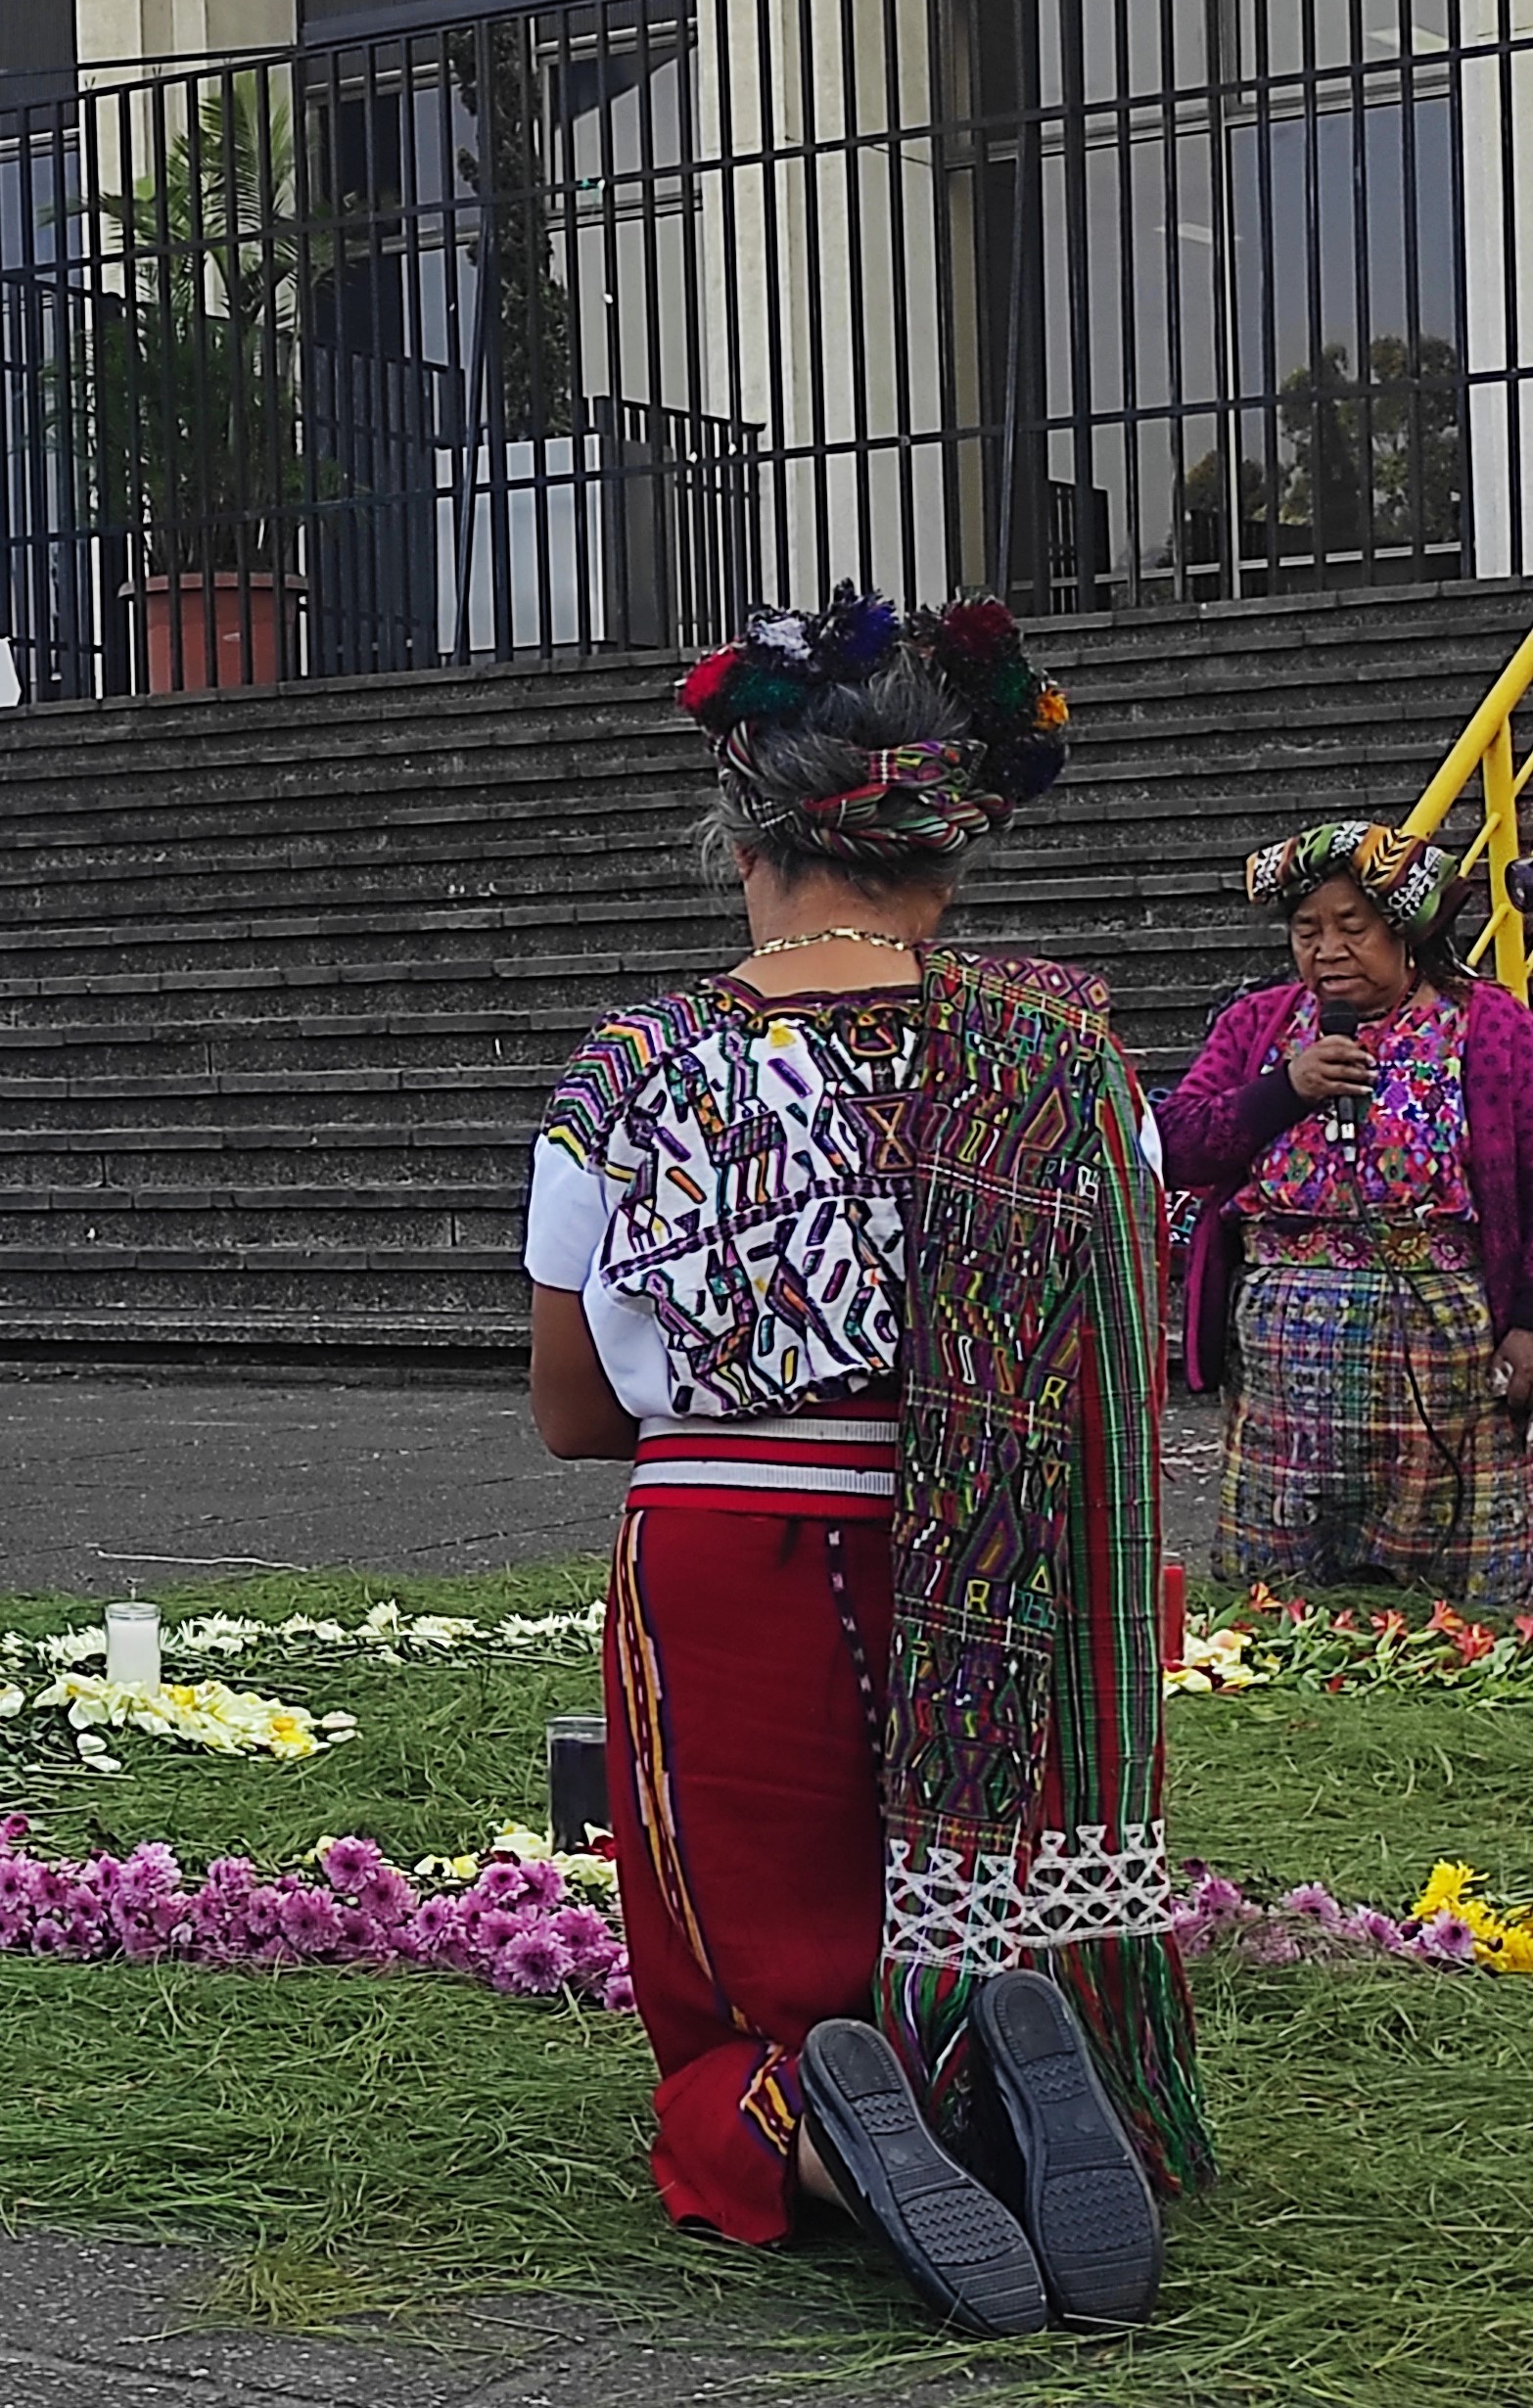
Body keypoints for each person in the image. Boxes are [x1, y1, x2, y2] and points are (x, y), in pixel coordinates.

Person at [526, 592, 1206, 2339]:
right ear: (947, 838)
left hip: (723, 1540)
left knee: (723, 2000)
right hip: (993, 1564)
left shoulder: (636, 1064)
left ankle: (812, 2120)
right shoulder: (1067, 1055)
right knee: (962, 1892)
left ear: (743, 825)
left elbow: (576, 1415)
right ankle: (985, 2055)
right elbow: (1115, 1347)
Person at [1162, 823, 1533, 1604]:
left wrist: (1528, 1319)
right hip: (1285, 1356)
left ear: (1406, 931)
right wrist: (1285, 1089)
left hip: (1445, 1349)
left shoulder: (1490, 1026)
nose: (1326, 949)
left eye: (1350, 927)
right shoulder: (1258, 1026)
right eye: (1307, 930)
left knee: (1456, 1596)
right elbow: (1176, 1145)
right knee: (1283, 1593)